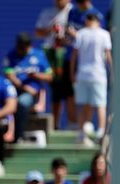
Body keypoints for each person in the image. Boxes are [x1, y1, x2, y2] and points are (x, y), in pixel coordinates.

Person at [70, 10, 112, 144]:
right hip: (98, 74)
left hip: (82, 74)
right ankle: (101, 131)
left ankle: (81, 132)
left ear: (87, 21)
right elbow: (109, 56)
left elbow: (74, 56)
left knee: (85, 104)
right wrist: (113, 72)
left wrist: (72, 72)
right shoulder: (104, 34)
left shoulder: (81, 33)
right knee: (100, 104)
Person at [3, 32, 52, 142]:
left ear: (28, 45)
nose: (20, 50)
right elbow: (9, 74)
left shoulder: (39, 55)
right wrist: (23, 87)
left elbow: (49, 76)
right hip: (13, 91)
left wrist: (36, 75)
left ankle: (18, 136)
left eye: (22, 47)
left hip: (32, 94)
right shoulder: (11, 55)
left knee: (22, 102)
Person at [35, 0, 76, 129]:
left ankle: (73, 123)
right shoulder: (47, 13)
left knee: (70, 90)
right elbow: (37, 32)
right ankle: (55, 125)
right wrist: (50, 30)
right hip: (52, 55)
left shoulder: (74, 12)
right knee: (56, 90)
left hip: (70, 56)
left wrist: (66, 37)